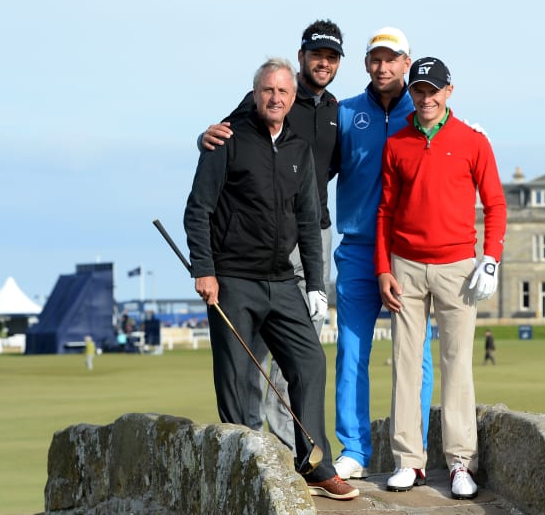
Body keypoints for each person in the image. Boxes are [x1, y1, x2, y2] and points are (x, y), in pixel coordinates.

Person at [183, 57, 357, 500]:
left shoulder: (299, 150)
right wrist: (204, 269)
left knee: (310, 362)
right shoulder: (227, 140)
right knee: (238, 376)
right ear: (255, 95)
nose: (275, 98)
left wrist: (316, 284)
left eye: (282, 92)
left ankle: (315, 464)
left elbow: (309, 224)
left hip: (282, 281)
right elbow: (198, 211)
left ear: (292, 97)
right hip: (232, 278)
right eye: (267, 91)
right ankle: (246, 467)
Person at [376, 56, 507, 499]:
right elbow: (385, 212)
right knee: (406, 366)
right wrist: (382, 269)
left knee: (457, 365)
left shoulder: (473, 141)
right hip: (406, 267)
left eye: (433, 90)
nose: (426, 98)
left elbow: (495, 205)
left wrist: (490, 258)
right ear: (411, 93)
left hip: (458, 269)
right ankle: (409, 462)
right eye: (419, 90)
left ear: (449, 91)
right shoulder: (396, 144)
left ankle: (458, 464)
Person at [330, 27, 436, 480]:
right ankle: (354, 447)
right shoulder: (346, 113)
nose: (382, 67)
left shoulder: (426, 110)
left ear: (406, 63)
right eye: (375, 59)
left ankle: (413, 451)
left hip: (409, 251)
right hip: (357, 248)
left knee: (416, 354)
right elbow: (308, 166)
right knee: (351, 349)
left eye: (391, 59)